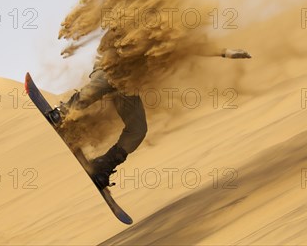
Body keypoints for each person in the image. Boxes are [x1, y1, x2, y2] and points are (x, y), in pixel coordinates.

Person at [49, 47, 251, 188]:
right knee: (101, 85)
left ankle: (103, 165)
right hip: (110, 68)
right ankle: (62, 114)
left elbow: (193, 46)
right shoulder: (134, 11)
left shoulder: (168, 32)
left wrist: (224, 52)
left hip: (128, 85)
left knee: (138, 130)